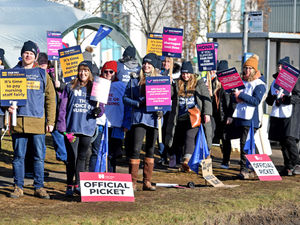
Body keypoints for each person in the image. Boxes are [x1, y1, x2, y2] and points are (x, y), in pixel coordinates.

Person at [9, 41, 56, 199]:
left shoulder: (42, 74)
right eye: (25, 52)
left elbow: (51, 98)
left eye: (31, 53)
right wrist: (5, 108)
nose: (27, 55)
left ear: (35, 56)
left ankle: (39, 187)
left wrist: (51, 121)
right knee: (18, 157)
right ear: (22, 54)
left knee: (38, 157)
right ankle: (18, 186)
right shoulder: (12, 73)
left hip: (38, 122)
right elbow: (3, 97)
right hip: (19, 122)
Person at [57, 60, 104, 196]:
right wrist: (62, 126)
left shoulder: (95, 88)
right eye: (81, 70)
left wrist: (98, 111)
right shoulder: (70, 87)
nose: (83, 73)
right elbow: (63, 108)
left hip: (87, 128)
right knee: (72, 157)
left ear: (90, 73)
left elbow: (101, 107)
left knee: (82, 157)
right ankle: (69, 184)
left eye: (86, 70)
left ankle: (79, 184)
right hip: (72, 129)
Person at [164, 61, 212, 172]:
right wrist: (168, 85)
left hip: (194, 117)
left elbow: (206, 99)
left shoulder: (198, 83)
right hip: (179, 117)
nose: (185, 76)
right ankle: (177, 159)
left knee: (189, 137)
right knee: (177, 140)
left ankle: (187, 161)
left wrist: (207, 113)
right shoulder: (176, 83)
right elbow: (169, 95)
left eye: (188, 73)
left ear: (191, 73)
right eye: (183, 73)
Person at [123, 53, 161, 191]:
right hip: (139, 118)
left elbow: (166, 101)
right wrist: (137, 104)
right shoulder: (134, 79)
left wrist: (162, 111)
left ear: (154, 66)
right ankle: (132, 182)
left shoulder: (160, 81)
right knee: (135, 149)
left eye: (149, 63)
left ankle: (147, 182)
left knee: (150, 150)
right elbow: (125, 98)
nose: (146, 65)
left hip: (153, 120)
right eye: (144, 63)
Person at [232, 54, 266, 179]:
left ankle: (244, 169)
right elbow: (234, 97)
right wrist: (236, 97)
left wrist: (241, 96)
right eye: (245, 68)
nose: (247, 70)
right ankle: (259, 167)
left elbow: (256, 100)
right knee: (250, 144)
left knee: (244, 143)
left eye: (250, 68)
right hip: (241, 117)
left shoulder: (259, 84)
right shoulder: (241, 83)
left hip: (251, 119)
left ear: (254, 70)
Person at [89, 60, 126, 173]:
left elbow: (126, 104)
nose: (109, 74)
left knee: (112, 154)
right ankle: (94, 176)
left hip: (114, 124)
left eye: (111, 72)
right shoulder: (98, 83)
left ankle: (110, 175)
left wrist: (125, 122)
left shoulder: (121, 86)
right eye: (106, 71)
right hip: (99, 123)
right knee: (96, 151)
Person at [266, 56, 300, 176]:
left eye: (282, 66)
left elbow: (297, 96)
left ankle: (297, 163)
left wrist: (285, 99)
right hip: (277, 114)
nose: (279, 68)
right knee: (282, 140)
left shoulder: (295, 80)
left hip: (290, 113)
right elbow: (269, 100)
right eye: (278, 66)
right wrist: (274, 97)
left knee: (289, 139)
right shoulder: (275, 82)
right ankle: (288, 166)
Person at [212, 60, 235, 169]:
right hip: (216, 116)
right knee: (217, 137)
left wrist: (230, 115)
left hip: (225, 116)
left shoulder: (229, 86)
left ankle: (226, 160)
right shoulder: (214, 83)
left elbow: (231, 103)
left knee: (226, 139)